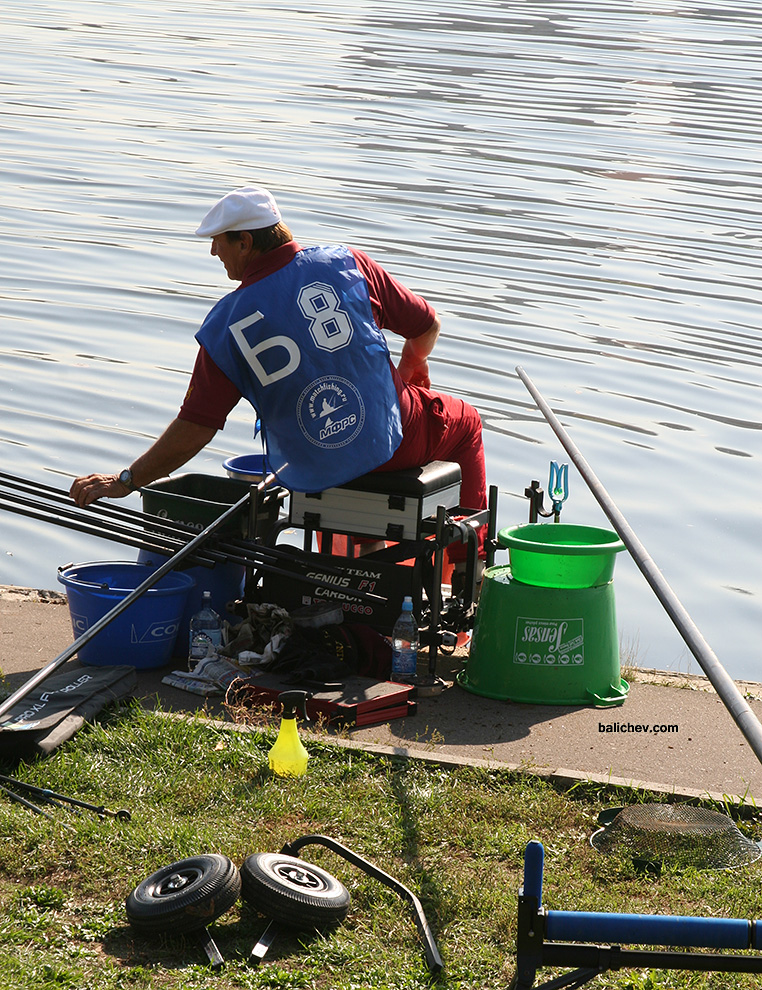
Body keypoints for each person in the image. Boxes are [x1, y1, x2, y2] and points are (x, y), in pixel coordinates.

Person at [70, 185, 486, 574]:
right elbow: (427, 325)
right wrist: (412, 363)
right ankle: (470, 567)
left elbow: (195, 427)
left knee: (334, 447)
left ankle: (366, 561)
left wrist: (126, 480)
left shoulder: (224, 324)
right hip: (396, 441)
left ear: (246, 242)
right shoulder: (349, 264)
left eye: (219, 241)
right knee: (466, 421)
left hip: (308, 463)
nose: (214, 252)